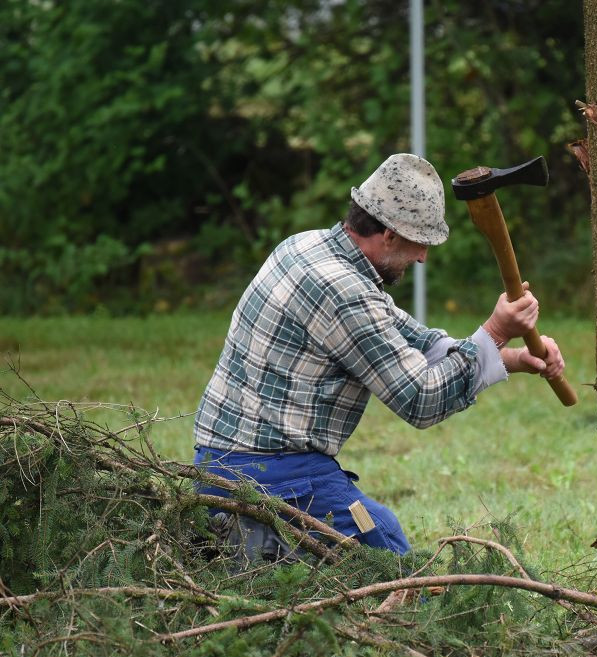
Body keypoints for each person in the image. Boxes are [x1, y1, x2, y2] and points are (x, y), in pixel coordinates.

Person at [192, 153, 565, 557]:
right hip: (272, 473)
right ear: (388, 234)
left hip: (218, 462)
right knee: (383, 547)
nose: (422, 257)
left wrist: (506, 357)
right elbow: (420, 399)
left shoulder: (306, 247)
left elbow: (414, 342)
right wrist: (493, 333)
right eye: (419, 242)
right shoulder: (346, 293)